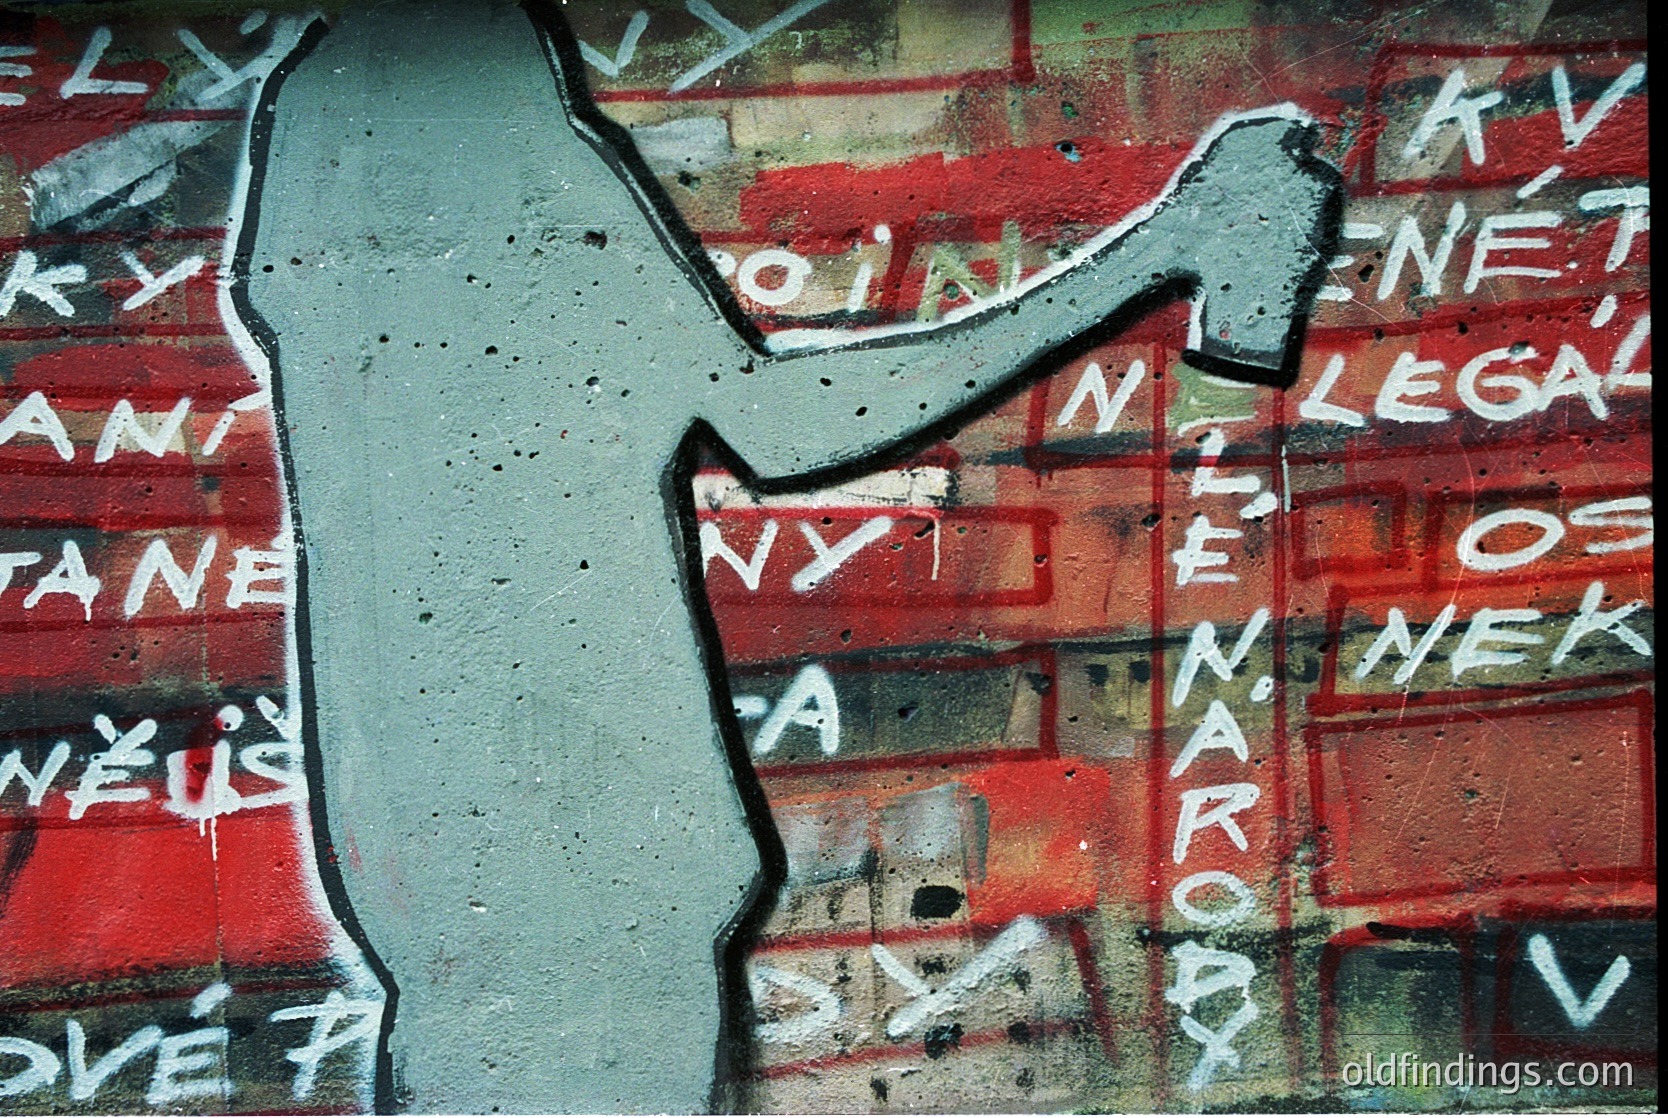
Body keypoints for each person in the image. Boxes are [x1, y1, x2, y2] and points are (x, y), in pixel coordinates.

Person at [241, 1, 1339, 1110]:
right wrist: (1153, 254)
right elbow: (782, 421)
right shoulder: (477, 160)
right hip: (582, 850)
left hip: (474, 845)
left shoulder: (341, 168)